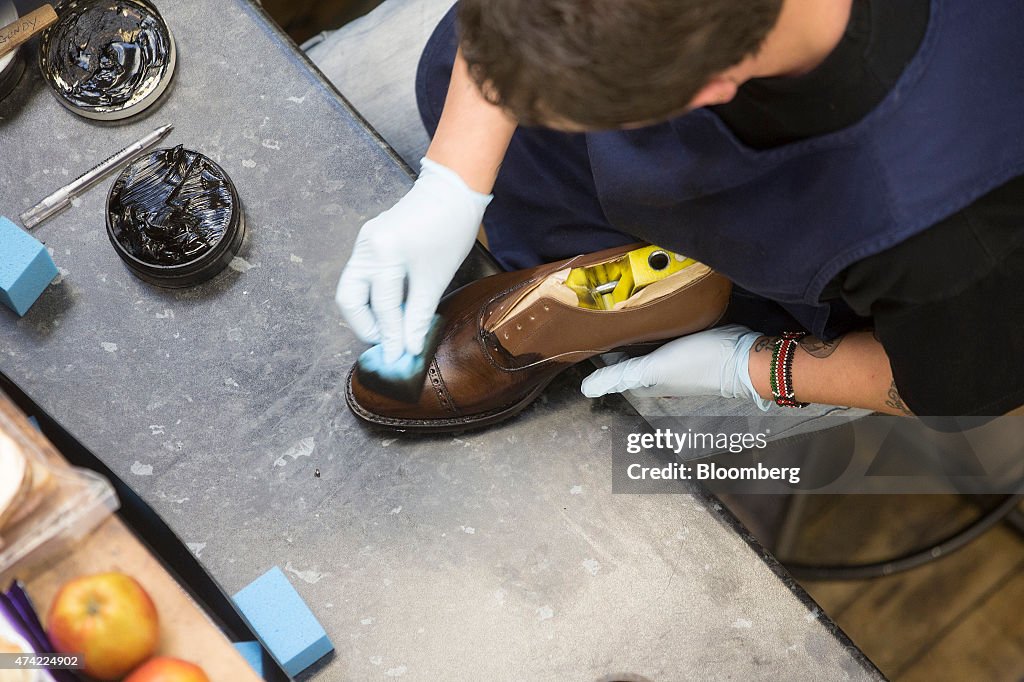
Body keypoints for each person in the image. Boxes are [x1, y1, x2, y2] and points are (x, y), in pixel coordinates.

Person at [334, 0, 1024, 417]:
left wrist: (755, 369)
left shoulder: (951, 234)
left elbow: (950, 386)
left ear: (709, 92)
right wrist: (453, 176)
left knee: (622, 443)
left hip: (840, 299)